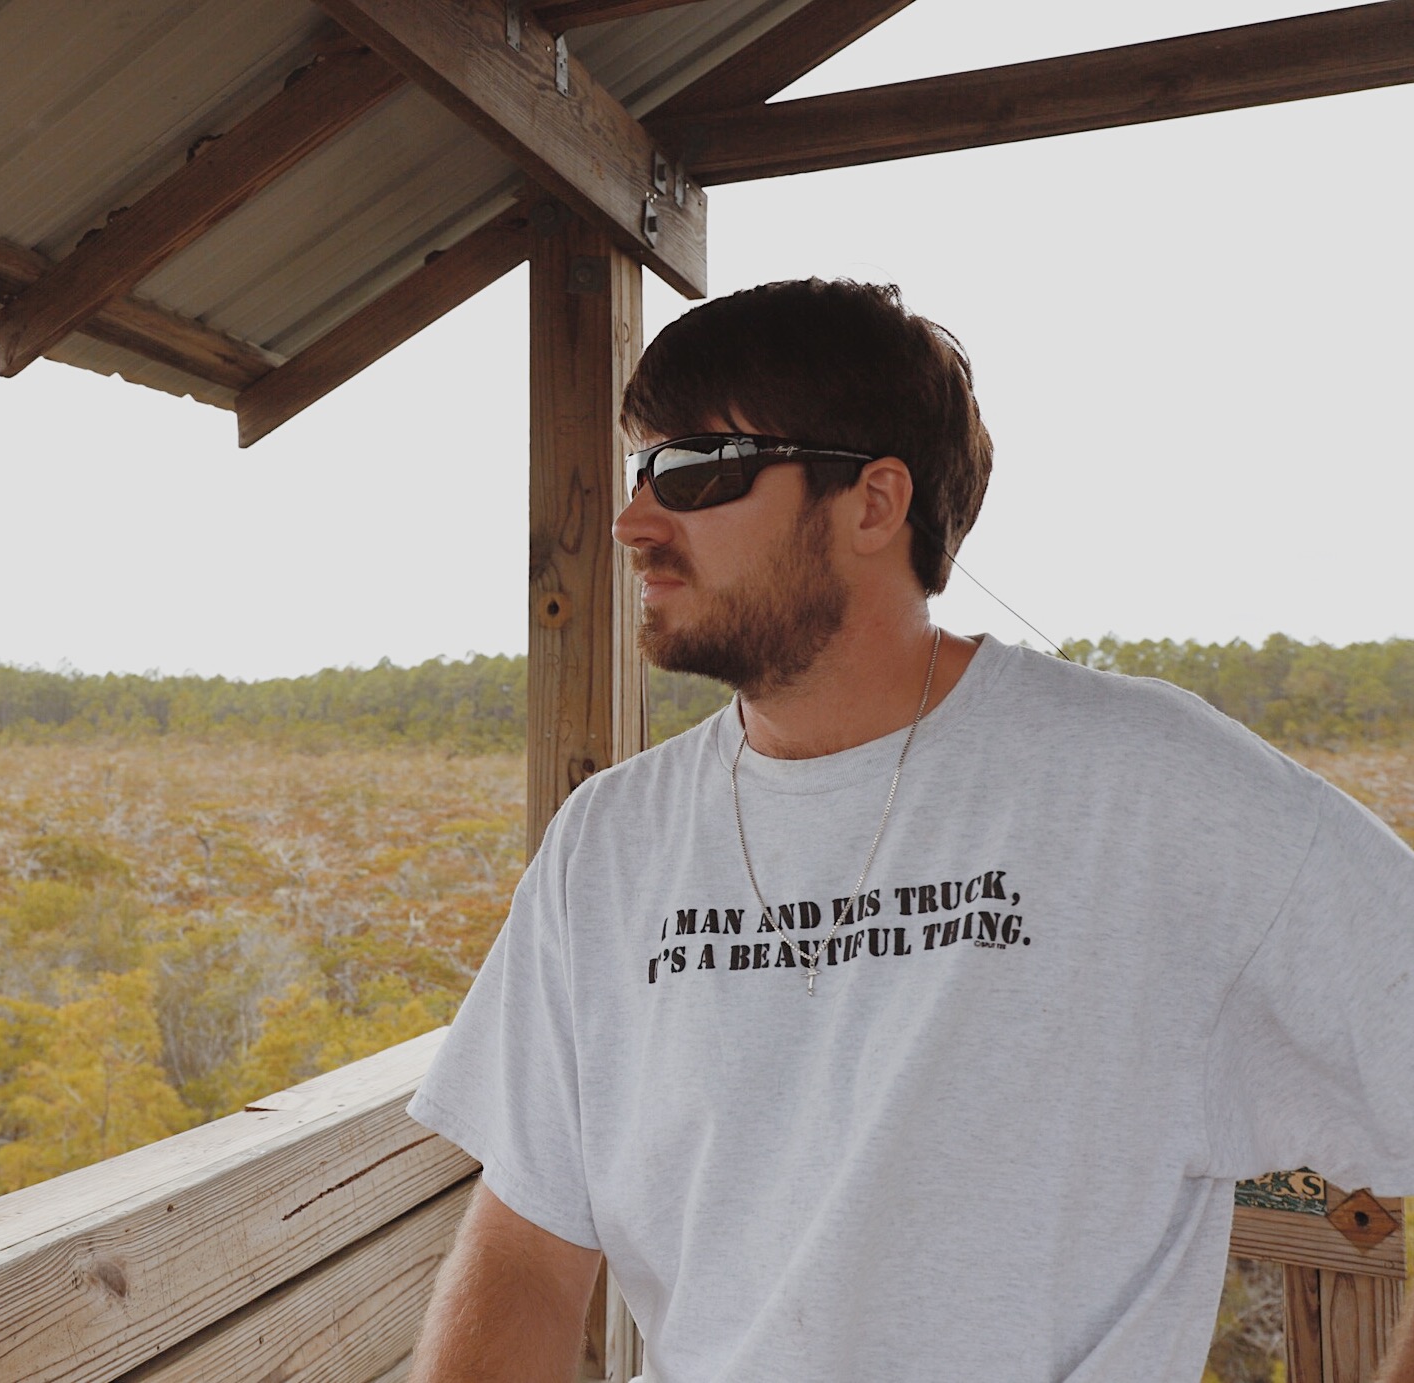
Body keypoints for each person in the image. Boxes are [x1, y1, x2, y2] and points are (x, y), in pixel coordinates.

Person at [403, 278, 1414, 1382]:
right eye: (639, 471)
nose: (633, 523)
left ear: (874, 503)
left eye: (692, 469)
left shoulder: (1151, 790)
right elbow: (527, 1250)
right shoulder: (607, 843)